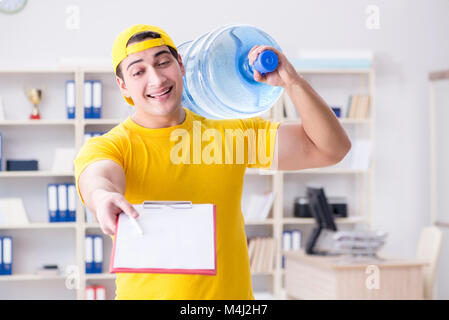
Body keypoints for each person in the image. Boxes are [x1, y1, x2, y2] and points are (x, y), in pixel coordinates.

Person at [74, 24, 351, 300]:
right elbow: (97, 176)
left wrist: (293, 82)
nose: (157, 79)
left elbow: (331, 148)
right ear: (123, 85)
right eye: (138, 71)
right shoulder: (113, 145)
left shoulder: (229, 132)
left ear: (181, 64)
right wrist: (102, 197)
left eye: (163, 62)